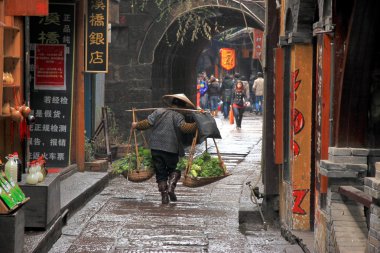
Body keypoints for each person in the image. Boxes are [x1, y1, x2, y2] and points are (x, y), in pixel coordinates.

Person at [131, 94, 197, 204]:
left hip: (156, 148)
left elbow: (147, 123)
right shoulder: (178, 116)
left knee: (160, 173)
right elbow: (185, 128)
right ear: (181, 107)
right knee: (174, 169)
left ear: (171, 103)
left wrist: (136, 124)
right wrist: (196, 124)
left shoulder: (158, 111)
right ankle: (171, 187)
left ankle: (164, 196)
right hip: (171, 148)